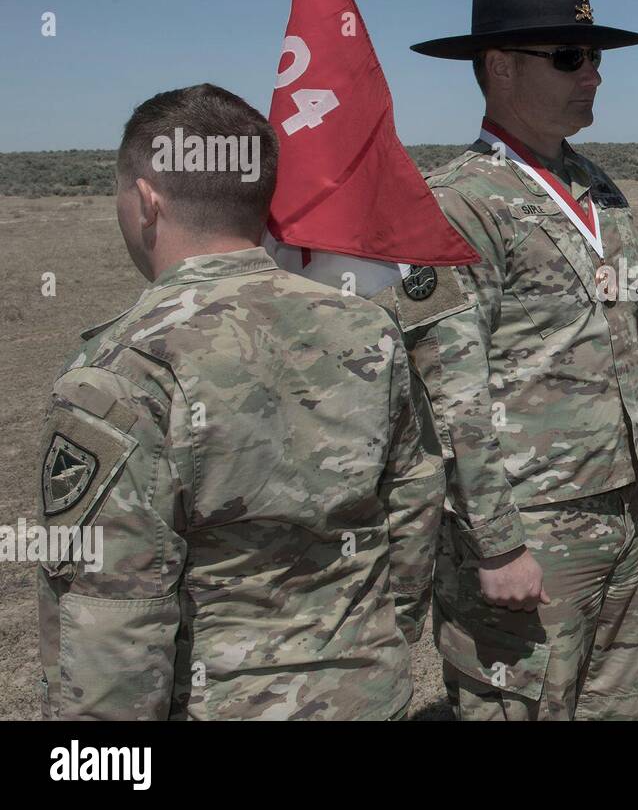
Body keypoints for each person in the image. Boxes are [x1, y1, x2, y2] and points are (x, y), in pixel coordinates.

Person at [36, 84, 444, 720]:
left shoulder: (121, 371)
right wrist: (378, 648)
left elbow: (109, 618)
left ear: (146, 200)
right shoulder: (367, 329)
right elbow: (414, 512)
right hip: (367, 694)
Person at [406, 0, 638, 720]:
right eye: (569, 56)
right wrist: (496, 543)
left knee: (613, 702)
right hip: (527, 519)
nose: (592, 75)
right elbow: (449, 391)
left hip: (616, 507)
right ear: (500, 66)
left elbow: (636, 328)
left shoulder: (596, 187)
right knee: (523, 703)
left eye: (596, 58)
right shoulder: (460, 202)